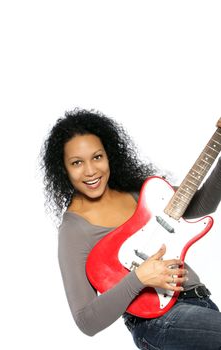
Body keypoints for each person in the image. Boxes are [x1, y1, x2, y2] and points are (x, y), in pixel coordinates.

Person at [41, 108, 221, 349]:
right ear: (63, 168)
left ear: (109, 155)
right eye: (77, 163)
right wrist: (139, 278)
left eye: (97, 157)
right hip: (160, 322)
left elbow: (202, 204)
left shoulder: (141, 194)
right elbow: (86, 320)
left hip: (202, 303)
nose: (91, 170)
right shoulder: (74, 230)